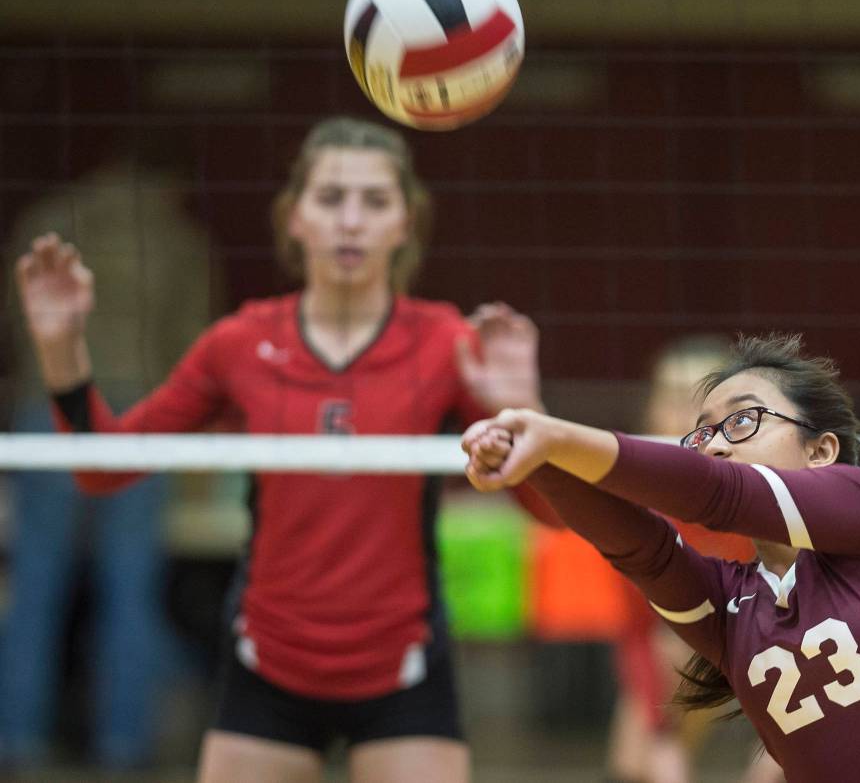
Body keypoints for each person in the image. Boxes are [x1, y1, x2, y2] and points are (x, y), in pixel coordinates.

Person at [15, 116, 561, 783]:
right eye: (330, 198)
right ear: (294, 217)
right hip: (267, 666)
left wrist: (527, 409)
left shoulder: (446, 341)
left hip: (402, 667)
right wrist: (61, 347)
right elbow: (103, 469)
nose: (351, 220)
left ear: (406, 223)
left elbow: (552, 513)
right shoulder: (240, 343)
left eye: (374, 200)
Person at [462, 333, 860, 783]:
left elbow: (720, 493)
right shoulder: (732, 605)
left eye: (742, 421)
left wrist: (556, 434)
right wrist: (531, 448)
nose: (716, 445)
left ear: (821, 451)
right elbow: (637, 547)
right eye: (704, 433)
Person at [2, 148, 217, 769]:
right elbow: (195, 346)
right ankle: (124, 745)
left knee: (35, 585)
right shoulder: (176, 236)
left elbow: (16, 318)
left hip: (46, 403)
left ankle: (16, 740)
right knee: (131, 587)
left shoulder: (48, 220)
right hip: (138, 411)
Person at [608, 336, 783, 783]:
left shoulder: (766, 499)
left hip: (770, 657)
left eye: (706, 403)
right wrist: (661, 734)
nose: (689, 417)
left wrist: (777, 747)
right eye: (673, 399)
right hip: (686, 656)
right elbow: (634, 634)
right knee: (638, 744)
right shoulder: (634, 506)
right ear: (651, 411)